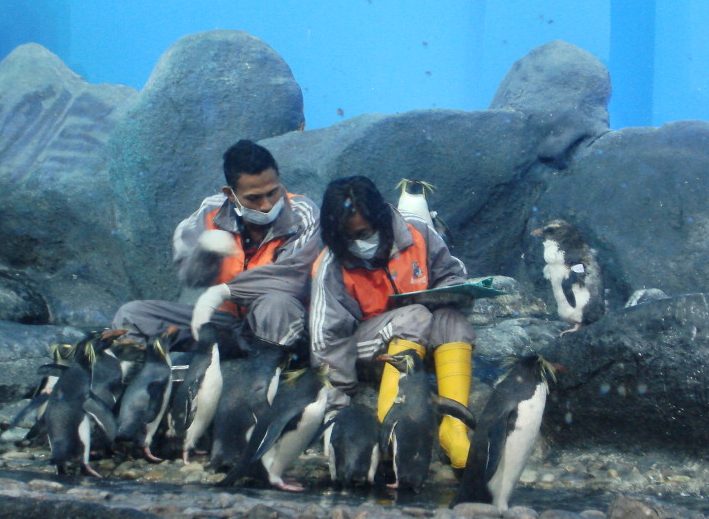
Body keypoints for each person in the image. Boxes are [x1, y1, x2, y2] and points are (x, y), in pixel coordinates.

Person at [309, 175, 476, 469]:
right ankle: (391, 430)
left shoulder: (417, 231)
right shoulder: (332, 266)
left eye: (365, 232)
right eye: (351, 236)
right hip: (367, 349)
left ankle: (455, 430)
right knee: (414, 317)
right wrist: (335, 412)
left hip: (416, 340)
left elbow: (451, 272)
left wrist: (451, 292)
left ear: (381, 217)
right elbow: (328, 341)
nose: (359, 241)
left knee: (453, 321)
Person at [112, 139, 319, 368]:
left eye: (272, 193)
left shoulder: (302, 213)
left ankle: (268, 379)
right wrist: (205, 253)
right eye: (254, 198)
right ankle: (138, 382)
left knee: (276, 304)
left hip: (284, 324)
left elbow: (292, 278)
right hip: (229, 324)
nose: (266, 205)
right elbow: (191, 278)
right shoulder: (211, 212)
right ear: (230, 194)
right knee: (133, 316)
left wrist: (222, 292)